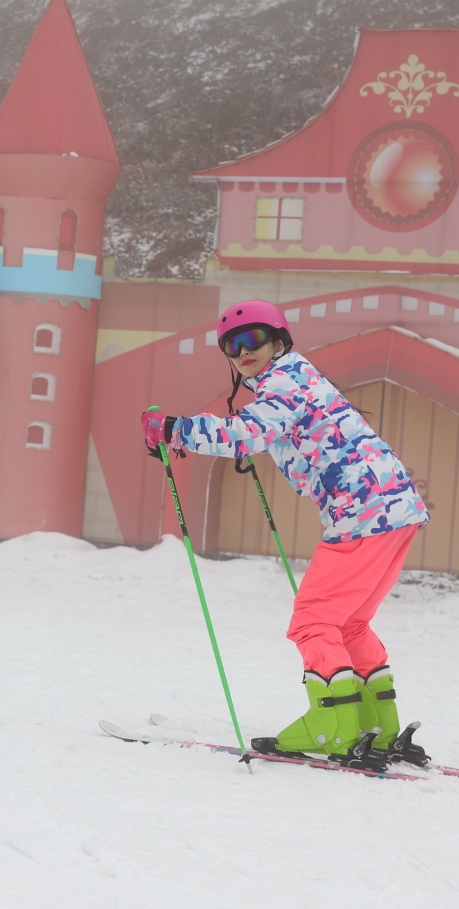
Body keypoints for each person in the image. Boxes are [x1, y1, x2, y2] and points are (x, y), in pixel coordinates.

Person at [141, 299, 431, 768]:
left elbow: (243, 434)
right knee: (349, 622)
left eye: (252, 339)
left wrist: (174, 429)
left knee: (312, 621)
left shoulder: (282, 383)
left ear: (278, 340)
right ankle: (378, 727)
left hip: (361, 511)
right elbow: (277, 431)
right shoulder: (299, 378)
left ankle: (331, 727)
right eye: (232, 347)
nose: (242, 352)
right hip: (394, 507)